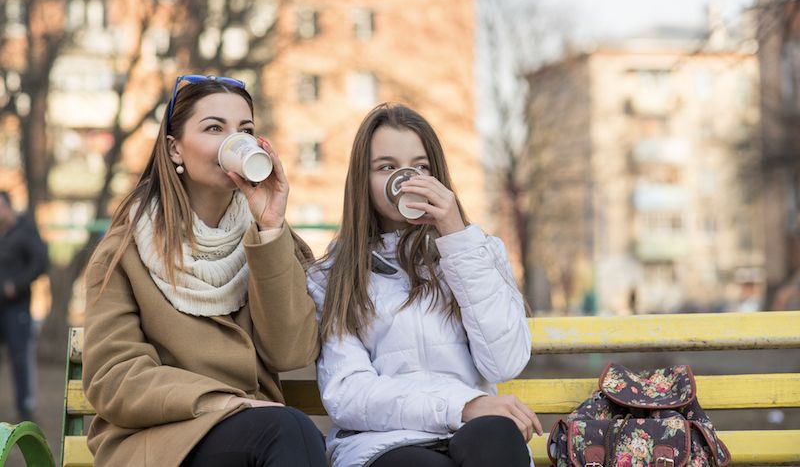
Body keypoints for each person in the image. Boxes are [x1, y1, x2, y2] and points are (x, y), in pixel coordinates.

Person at [82, 75, 327, 467]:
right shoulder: (123, 253)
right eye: (214, 128)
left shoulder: (273, 241)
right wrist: (222, 402)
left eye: (245, 130)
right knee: (288, 431)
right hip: (160, 441)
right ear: (174, 150)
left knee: (290, 432)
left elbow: (291, 352)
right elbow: (114, 378)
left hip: (257, 433)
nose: (235, 141)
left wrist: (269, 228)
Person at [307, 103, 542, 467]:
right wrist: (462, 405)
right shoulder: (333, 276)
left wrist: (456, 238)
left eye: (421, 168)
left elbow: (505, 362)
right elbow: (348, 394)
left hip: (475, 430)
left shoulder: (477, 252)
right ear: (362, 181)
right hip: (383, 443)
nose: (407, 180)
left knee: (497, 439)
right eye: (387, 167)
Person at [0, 190, 48, 422]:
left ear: (9, 208)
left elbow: (40, 263)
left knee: (20, 356)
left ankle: (25, 408)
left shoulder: (25, 231)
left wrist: (16, 285)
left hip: (16, 307)